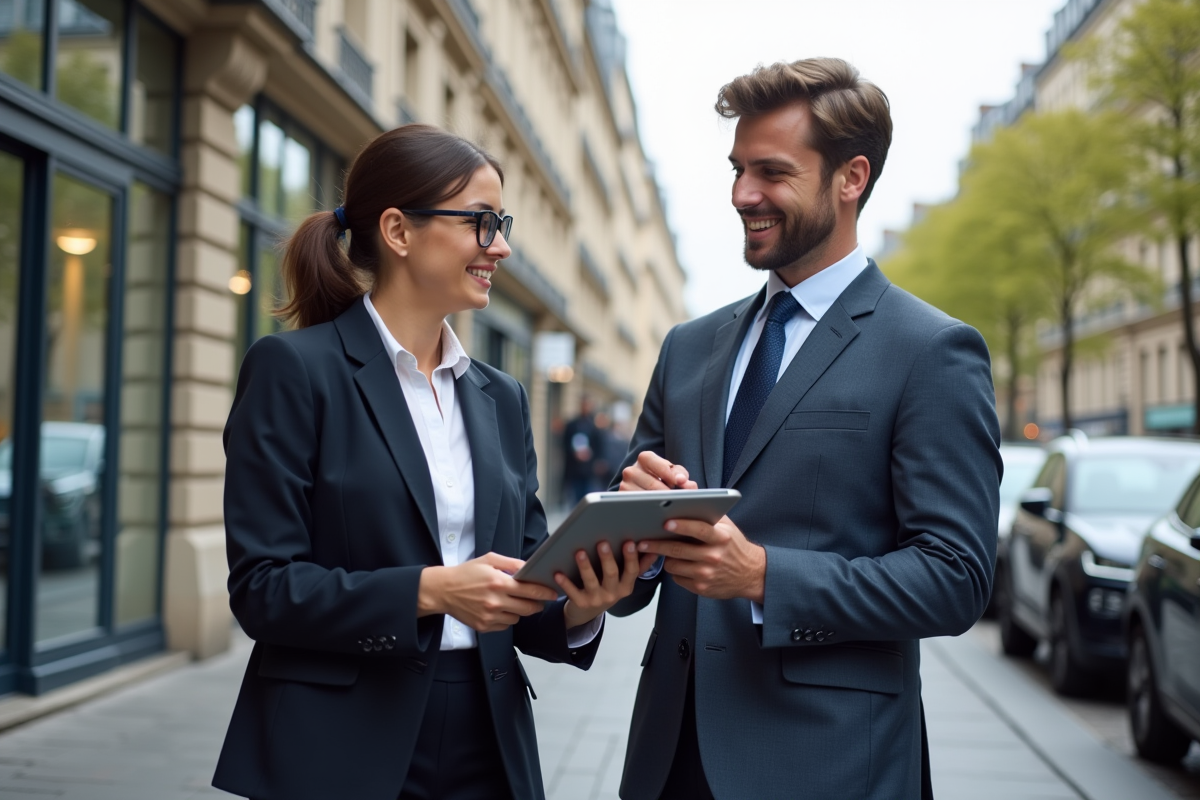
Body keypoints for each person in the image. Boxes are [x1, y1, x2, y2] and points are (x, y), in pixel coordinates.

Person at [211, 124, 647, 800]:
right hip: (337, 740)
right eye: (481, 222)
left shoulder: (501, 397)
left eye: (500, 223)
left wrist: (581, 606)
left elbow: (523, 583)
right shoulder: (294, 370)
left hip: (489, 739)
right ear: (398, 230)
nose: (499, 246)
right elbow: (264, 590)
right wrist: (433, 590)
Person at [609, 59, 1001, 800]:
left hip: (830, 764)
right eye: (736, 170)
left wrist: (763, 577)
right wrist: (629, 533)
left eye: (771, 172)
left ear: (851, 178)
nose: (741, 195)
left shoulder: (932, 350)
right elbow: (629, 576)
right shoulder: (688, 347)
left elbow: (956, 578)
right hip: (670, 756)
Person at [561, 395, 601, 505]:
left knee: (586, 499)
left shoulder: (594, 427)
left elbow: (598, 447)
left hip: (588, 470)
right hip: (574, 469)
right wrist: (574, 453)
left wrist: (592, 457)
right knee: (575, 499)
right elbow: (564, 444)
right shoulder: (572, 425)